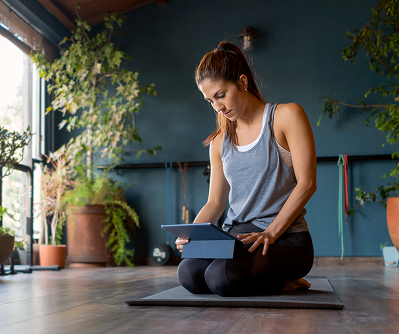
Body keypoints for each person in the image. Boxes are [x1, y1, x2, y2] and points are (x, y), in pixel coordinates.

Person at [175, 41, 317, 297]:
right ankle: (274, 282)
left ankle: (288, 280)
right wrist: (190, 234)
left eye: (220, 95)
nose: (217, 107)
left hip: (284, 237)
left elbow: (307, 184)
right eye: (210, 100)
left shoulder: (286, 116)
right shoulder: (219, 141)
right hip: (237, 238)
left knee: (219, 279)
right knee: (189, 274)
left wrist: (271, 232)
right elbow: (215, 202)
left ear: (242, 82)